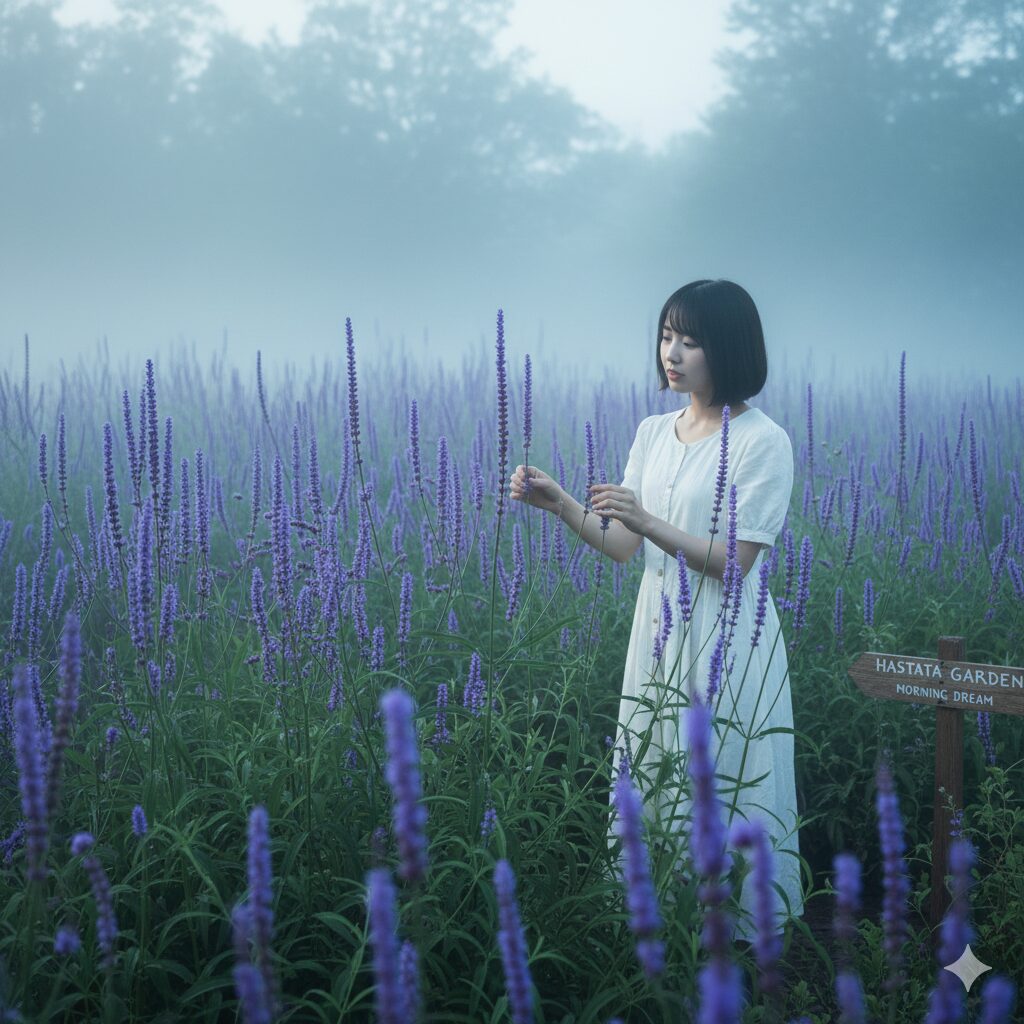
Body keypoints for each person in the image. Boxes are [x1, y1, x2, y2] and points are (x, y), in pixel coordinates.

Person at [508, 279, 804, 943]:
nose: (672, 352)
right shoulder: (652, 431)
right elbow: (622, 545)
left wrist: (649, 518)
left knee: (724, 777)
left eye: (691, 341)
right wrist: (560, 502)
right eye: (667, 336)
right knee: (654, 769)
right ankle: (658, 931)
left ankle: (740, 948)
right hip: (659, 635)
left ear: (727, 349)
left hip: (729, 639)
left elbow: (736, 561)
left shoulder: (764, 442)